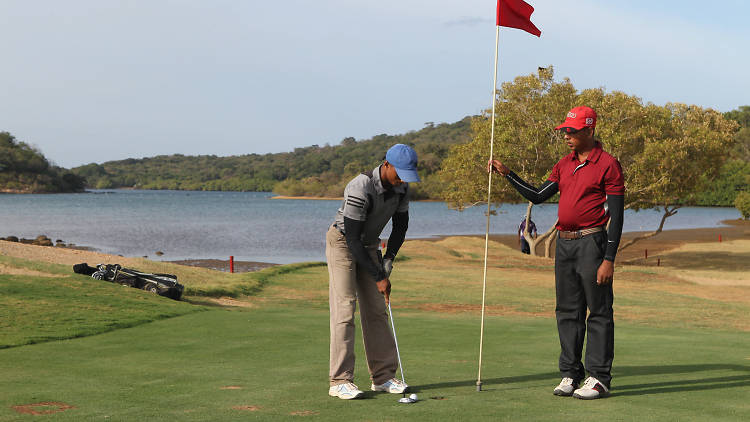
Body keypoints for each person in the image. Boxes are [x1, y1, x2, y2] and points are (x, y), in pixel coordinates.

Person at [488, 106, 625, 400]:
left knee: (599, 311)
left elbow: (617, 215)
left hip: (592, 243)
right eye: (565, 131)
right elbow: (538, 195)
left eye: (572, 131)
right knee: (567, 310)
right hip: (564, 244)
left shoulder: (608, 165)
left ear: (589, 130)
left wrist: (609, 259)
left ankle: (599, 378)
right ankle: (571, 374)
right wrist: (508, 174)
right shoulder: (564, 164)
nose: (567, 136)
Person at [326, 144, 420, 400]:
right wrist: (378, 276)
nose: (402, 179)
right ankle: (340, 381)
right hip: (343, 242)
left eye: (406, 175)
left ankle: (383, 377)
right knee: (345, 307)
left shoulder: (402, 189)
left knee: (377, 310)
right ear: (386, 165)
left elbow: (400, 228)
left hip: (369, 245)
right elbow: (353, 239)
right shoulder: (360, 186)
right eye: (399, 173)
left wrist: (388, 260)